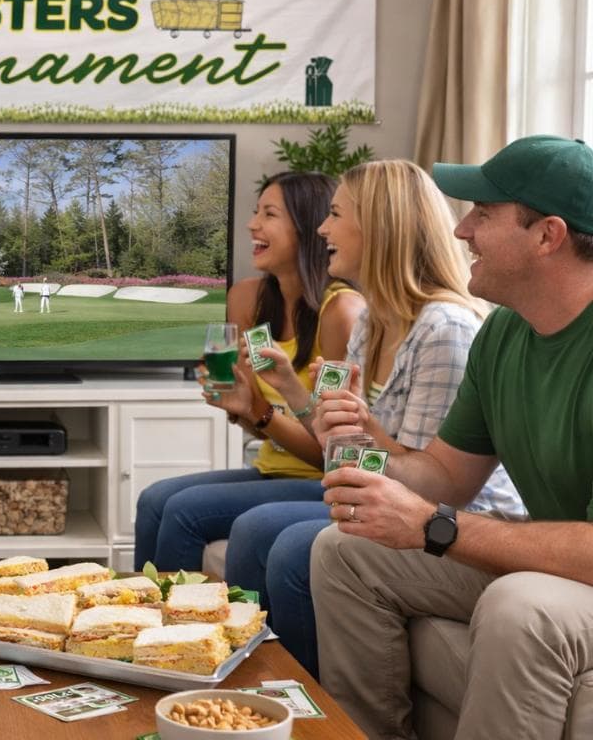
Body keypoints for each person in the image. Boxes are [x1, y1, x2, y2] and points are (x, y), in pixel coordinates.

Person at [310, 136, 593, 739]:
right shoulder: (504, 335)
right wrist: (371, 437)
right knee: (345, 551)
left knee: (521, 607)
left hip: (575, 571)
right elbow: (444, 477)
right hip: (554, 559)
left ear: (548, 235)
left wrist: (436, 527)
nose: (461, 231)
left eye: (483, 214)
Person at [225, 160, 524, 677]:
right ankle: (257, 689)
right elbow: (346, 453)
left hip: (450, 519)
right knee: (255, 530)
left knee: (285, 540)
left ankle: (304, 706)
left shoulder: (444, 329)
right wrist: (306, 403)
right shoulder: (373, 321)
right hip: (386, 498)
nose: (323, 228)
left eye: (336, 214)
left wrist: (350, 429)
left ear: (380, 229)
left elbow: (432, 488)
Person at [134, 171, 364, 573]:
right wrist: (239, 407)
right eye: (256, 212)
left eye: (269, 214)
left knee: (184, 511)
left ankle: (187, 630)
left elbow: (334, 452)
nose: (252, 224)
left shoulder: (340, 313)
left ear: (310, 226)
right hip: (271, 468)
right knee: (154, 500)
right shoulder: (248, 301)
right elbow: (260, 420)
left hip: (322, 481)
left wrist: (258, 410)